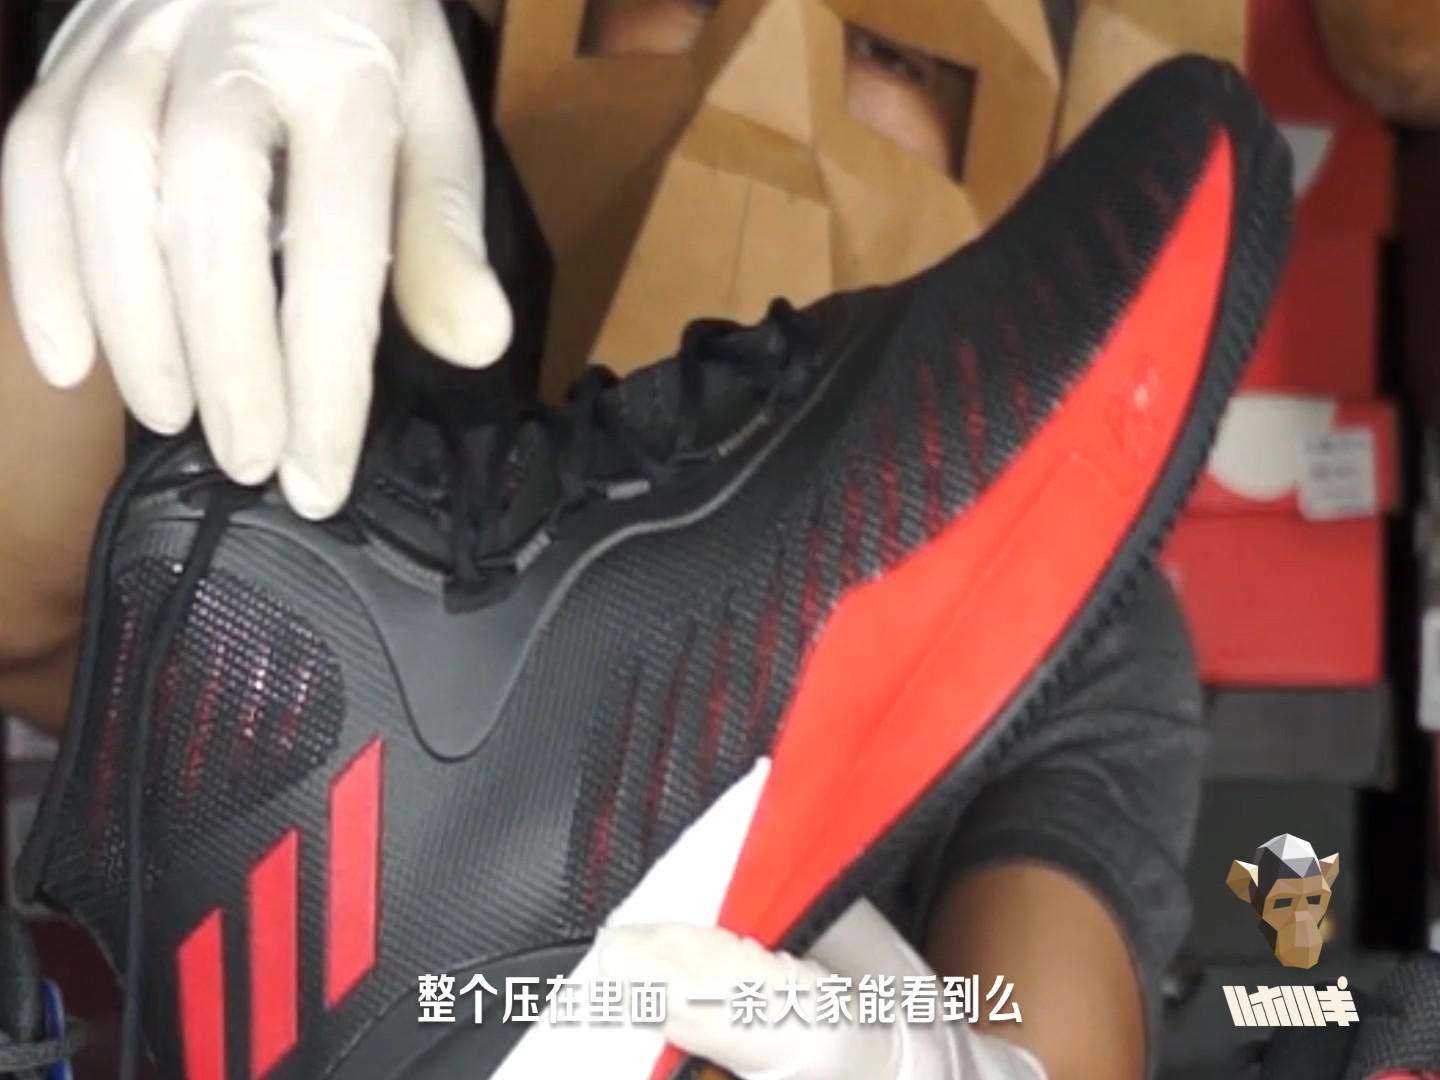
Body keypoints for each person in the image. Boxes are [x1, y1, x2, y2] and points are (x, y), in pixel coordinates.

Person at [0, 2, 1206, 1078]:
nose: (759, 80)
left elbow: (1057, 1028)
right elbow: (32, 614)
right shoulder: (382, 337)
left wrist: (921, 1062)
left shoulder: (1082, 599)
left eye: (890, 50)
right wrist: (178, 159)